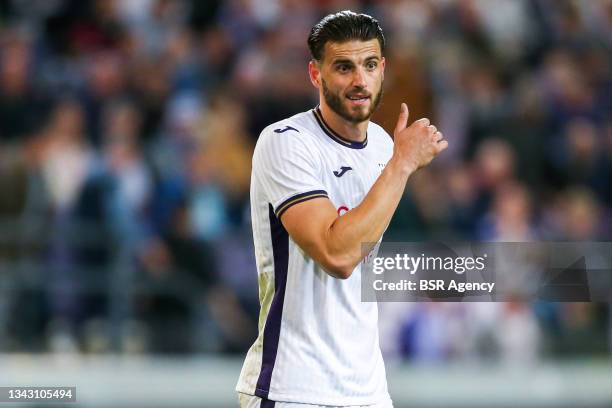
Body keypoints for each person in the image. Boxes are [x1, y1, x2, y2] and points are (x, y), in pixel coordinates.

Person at [236, 10, 447, 408]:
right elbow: (338, 255)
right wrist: (402, 165)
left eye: (369, 66)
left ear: (383, 69)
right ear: (316, 75)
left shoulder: (386, 146)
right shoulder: (286, 142)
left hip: (367, 391)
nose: (359, 81)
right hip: (293, 388)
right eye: (344, 67)